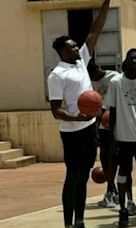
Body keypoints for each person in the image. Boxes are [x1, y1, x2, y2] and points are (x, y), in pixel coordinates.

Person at [46, 1, 110, 227]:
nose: (76, 49)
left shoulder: (81, 61)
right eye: (72, 47)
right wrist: (77, 118)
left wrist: (107, 2)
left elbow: (95, 30)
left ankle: (80, 220)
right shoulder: (57, 75)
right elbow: (56, 111)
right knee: (72, 175)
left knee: (83, 176)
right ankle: (68, 222)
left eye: (76, 46)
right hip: (72, 132)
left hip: (89, 129)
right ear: (62, 51)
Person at [106, 48, 136, 226]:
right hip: (123, 138)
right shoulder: (116, 82)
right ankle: (123, 210)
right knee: (123, 175)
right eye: (131, 58)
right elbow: (112, 112)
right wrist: (112, 138)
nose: (134, 61)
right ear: (126, 61)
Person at [87, 62, 120, 208]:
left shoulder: (114, 78)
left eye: (91, 76)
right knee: (104, 157)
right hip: (101, 124)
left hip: (116, 123)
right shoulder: (89, 83)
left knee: (114, 158)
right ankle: (112, 189)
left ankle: (112, 191)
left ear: (96, 71)